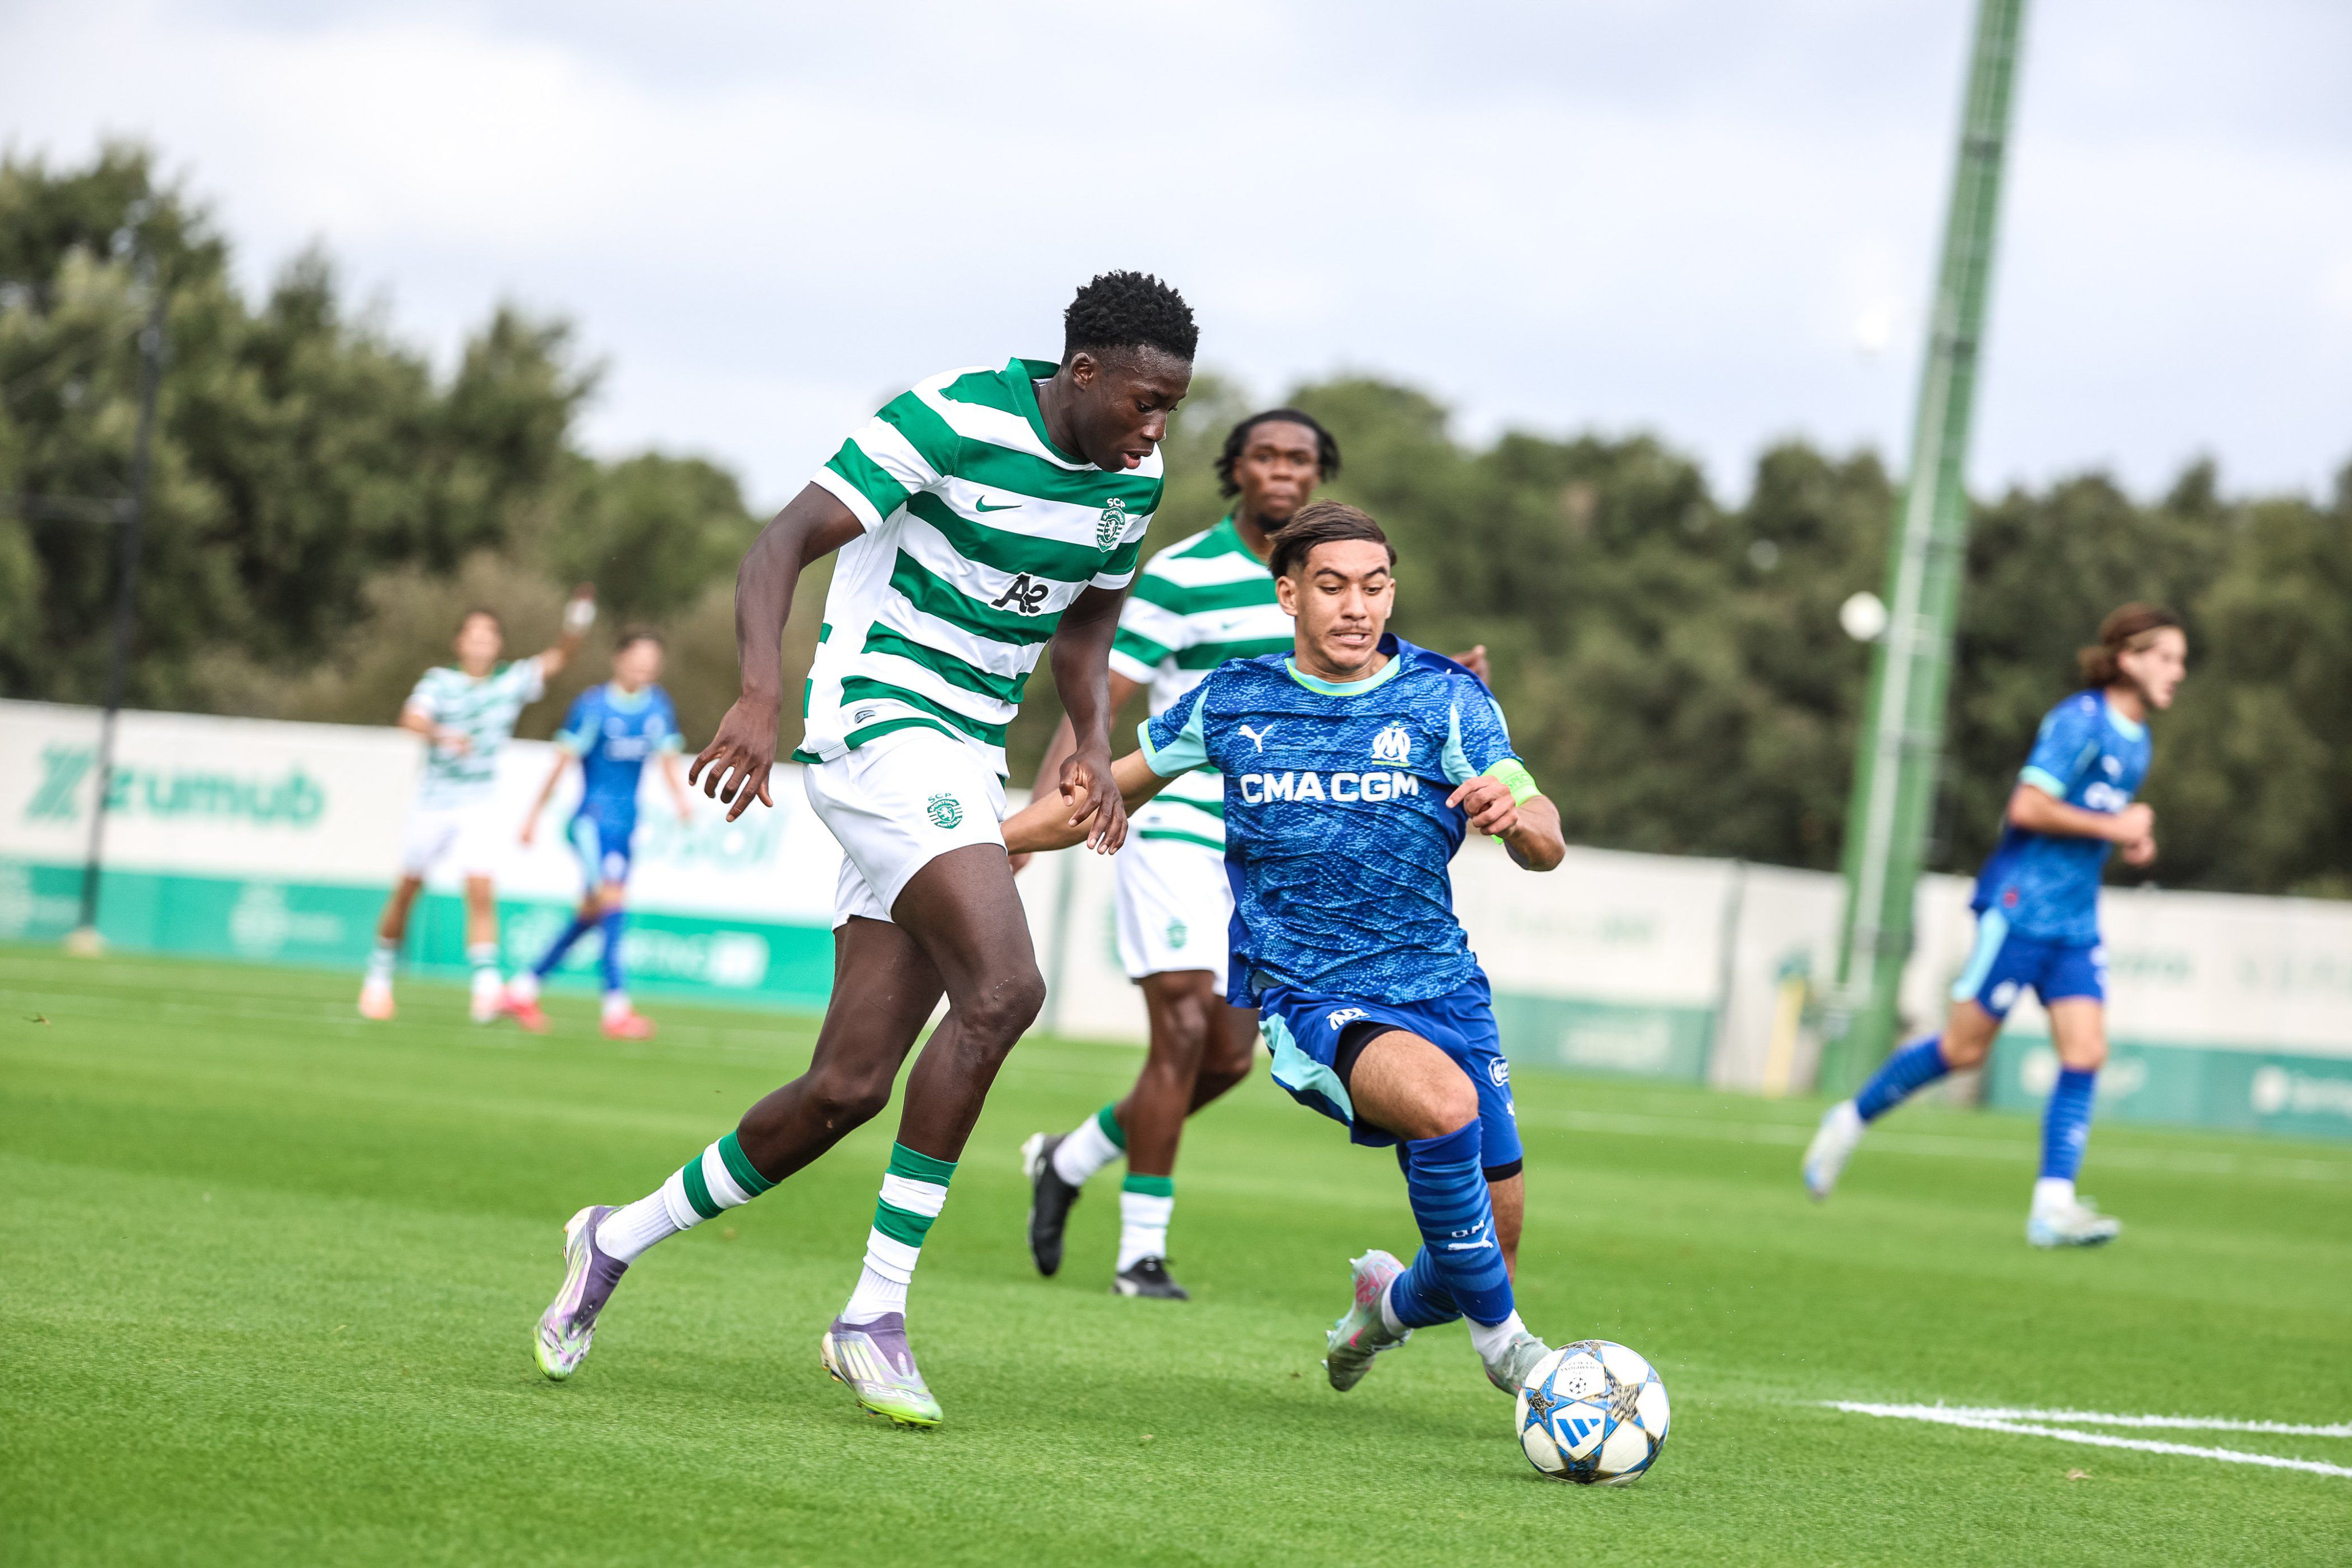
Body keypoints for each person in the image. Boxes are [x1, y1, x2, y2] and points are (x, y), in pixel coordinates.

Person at [531, 272, 1197, 1427]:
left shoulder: (1131, 476)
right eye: (1143, 400)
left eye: (1171, 408)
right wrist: (755, 694)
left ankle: (613, 1237)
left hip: (958, 756)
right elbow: (779, 541)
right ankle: (871, 1314)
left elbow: (1088, 625)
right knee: (1006, 988)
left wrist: (1087, 736)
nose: (1156, 428)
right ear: (1081, 372)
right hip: (877, 724)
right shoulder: (945, 418)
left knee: (844, 1088)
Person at [1000, 500, 1564, 1398]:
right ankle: (1514, 1352)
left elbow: (1543, 829)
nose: (1357, 607)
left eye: (1375, 587)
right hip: (1313, 994)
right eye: (1333, 587)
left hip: (1446, 989)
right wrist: (992, 843)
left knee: (1483, 1247)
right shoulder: (1234, 697)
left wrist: (1519, 822)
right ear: (1287, 594)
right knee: (1444, 1105)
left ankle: (1379, 1311)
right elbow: (1105, 792)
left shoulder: (1447, 697)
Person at [1018, 411, 1493, 1301]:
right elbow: (1100, 706)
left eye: (1301, 458)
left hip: (1264, 853)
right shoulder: (1185, 574)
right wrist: (1042, 818)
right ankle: (1141, 1252)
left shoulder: (1335, 570)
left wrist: (1448, 688)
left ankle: (1071, 1155)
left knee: (1232, 1057)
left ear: (1319, 474)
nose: (1283, 471)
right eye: (1265, 456)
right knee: (1187, 1029)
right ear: (1235, 470)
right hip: (1169, 831)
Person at [1802, 604, 2189, 1247]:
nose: (2178, 672)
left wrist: (2128, 841)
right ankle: (1849, 1119)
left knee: (2087, 1052)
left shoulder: (2138, 737)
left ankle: (2051, 1207)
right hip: (2019, 907)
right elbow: (2028, 804)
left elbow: (2090, 818)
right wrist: (2115, 827)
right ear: (2128, 658)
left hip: (2074, 921)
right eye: (2167, 658)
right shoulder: (2079, 719)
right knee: (1962, 1050)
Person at [359, 589, 595, 1023]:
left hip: (479, 803)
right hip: (433, 802)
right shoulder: (439, 681)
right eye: (474, 635)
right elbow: (410, 719)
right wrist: (442, 735)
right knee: (408, 890)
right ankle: (377, 980)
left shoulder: (510, 681)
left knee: (481, 888)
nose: (482, 643)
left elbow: (559, 658)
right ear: (460, 643)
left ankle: (486, 989)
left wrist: (578, 621)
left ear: (498, 645)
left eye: (490, 636)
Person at [502, 629, 692, 1039]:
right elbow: (561, 762)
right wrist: (534, 815)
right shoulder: (594, 706)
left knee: (593, 912)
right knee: (612, 903)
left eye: (652, 659)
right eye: (638, 656)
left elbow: (668, 760)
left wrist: (683, 802)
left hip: (625, 825)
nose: (645, 665)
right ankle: (616, 1008)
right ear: (619, 658)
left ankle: (523, 988)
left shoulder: (657, 706)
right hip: (593, 821)